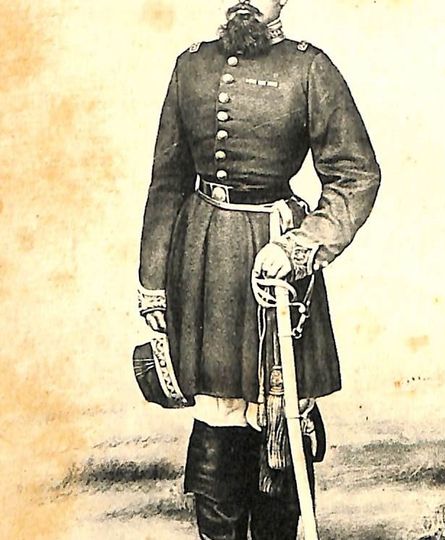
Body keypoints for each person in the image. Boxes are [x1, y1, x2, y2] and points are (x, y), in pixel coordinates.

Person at [138, 0, 380, 538]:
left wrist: (301, 246)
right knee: (216, 421)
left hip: (276, 261)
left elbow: (356, 174)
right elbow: (167, 181)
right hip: (204, 263)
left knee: (280, 420)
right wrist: (152, 283)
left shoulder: (308, 67)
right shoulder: (191, 65)